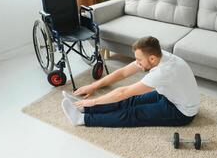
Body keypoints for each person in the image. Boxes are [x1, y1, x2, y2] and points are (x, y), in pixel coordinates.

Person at [61, 36, 200, 127]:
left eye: (139, 60)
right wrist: (93, 86)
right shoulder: (158, 55)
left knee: (133, 114)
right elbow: (122, 72)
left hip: (181, 111)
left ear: (151, 59)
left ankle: (83, 119)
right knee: (130, 101)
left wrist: (93, 101)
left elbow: (123, 92)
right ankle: (83, 109)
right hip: (168, 95)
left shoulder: (164, 71)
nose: (137, 63)